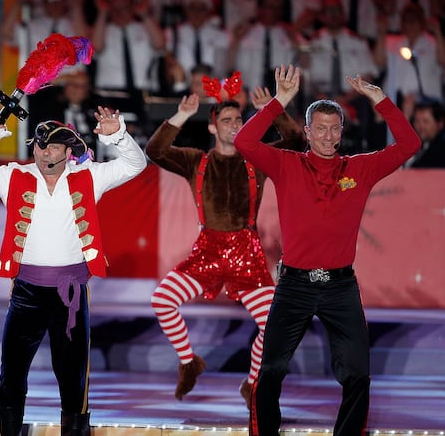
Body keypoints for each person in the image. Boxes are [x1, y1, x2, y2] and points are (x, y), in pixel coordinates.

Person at [234, 67, 421, 436]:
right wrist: (279, 101)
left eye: (334, 128)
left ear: (341, 132)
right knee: (269, 371)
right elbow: (244, 142)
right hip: (294, 287)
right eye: (320, 128)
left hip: (340, 289)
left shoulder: (360, 169)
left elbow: (409, 145)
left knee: (357, 376)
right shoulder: (287, 165)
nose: (328, 135)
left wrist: (380, 100)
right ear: (306, 132)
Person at [0, 106, 146, 436]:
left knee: (73, 376)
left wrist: (118, 135)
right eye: (40, 146)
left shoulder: (90, 176)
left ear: (68, 152)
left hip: (70, 293)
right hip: (26, 291)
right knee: (12, 372)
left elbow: (135, 164)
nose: (45, 153)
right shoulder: (13, 176)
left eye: (54, 147)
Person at [146, 65, 306, 407]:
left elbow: (295, 141)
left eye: (239, 121)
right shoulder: (195, 161)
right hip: (207, 251)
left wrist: (272, 109)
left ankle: (252, 383)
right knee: (162, 299)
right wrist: (180, 115)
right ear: (212, 125)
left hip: (246, 253)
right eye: (227, 121)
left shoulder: (258, 159)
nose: (234, 126)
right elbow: (156, 151)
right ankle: (190, 362)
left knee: (273, 324)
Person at [306, 0, 381, 153]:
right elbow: (305, 75)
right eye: (329, 11)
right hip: (319, 97)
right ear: (322, 15)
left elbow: (369, 75)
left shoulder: (358, 42)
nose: (333, 15)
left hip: (352, 97)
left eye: (337, 10)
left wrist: (346, 98)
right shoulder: (312, 42)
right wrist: (319, 95)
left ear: (343, 14)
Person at [407, 100, 445, 168]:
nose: (421, 126)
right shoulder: (419, 145)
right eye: (417, 121)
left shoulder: (440, 151)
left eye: (425, 121)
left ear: (440, 123)